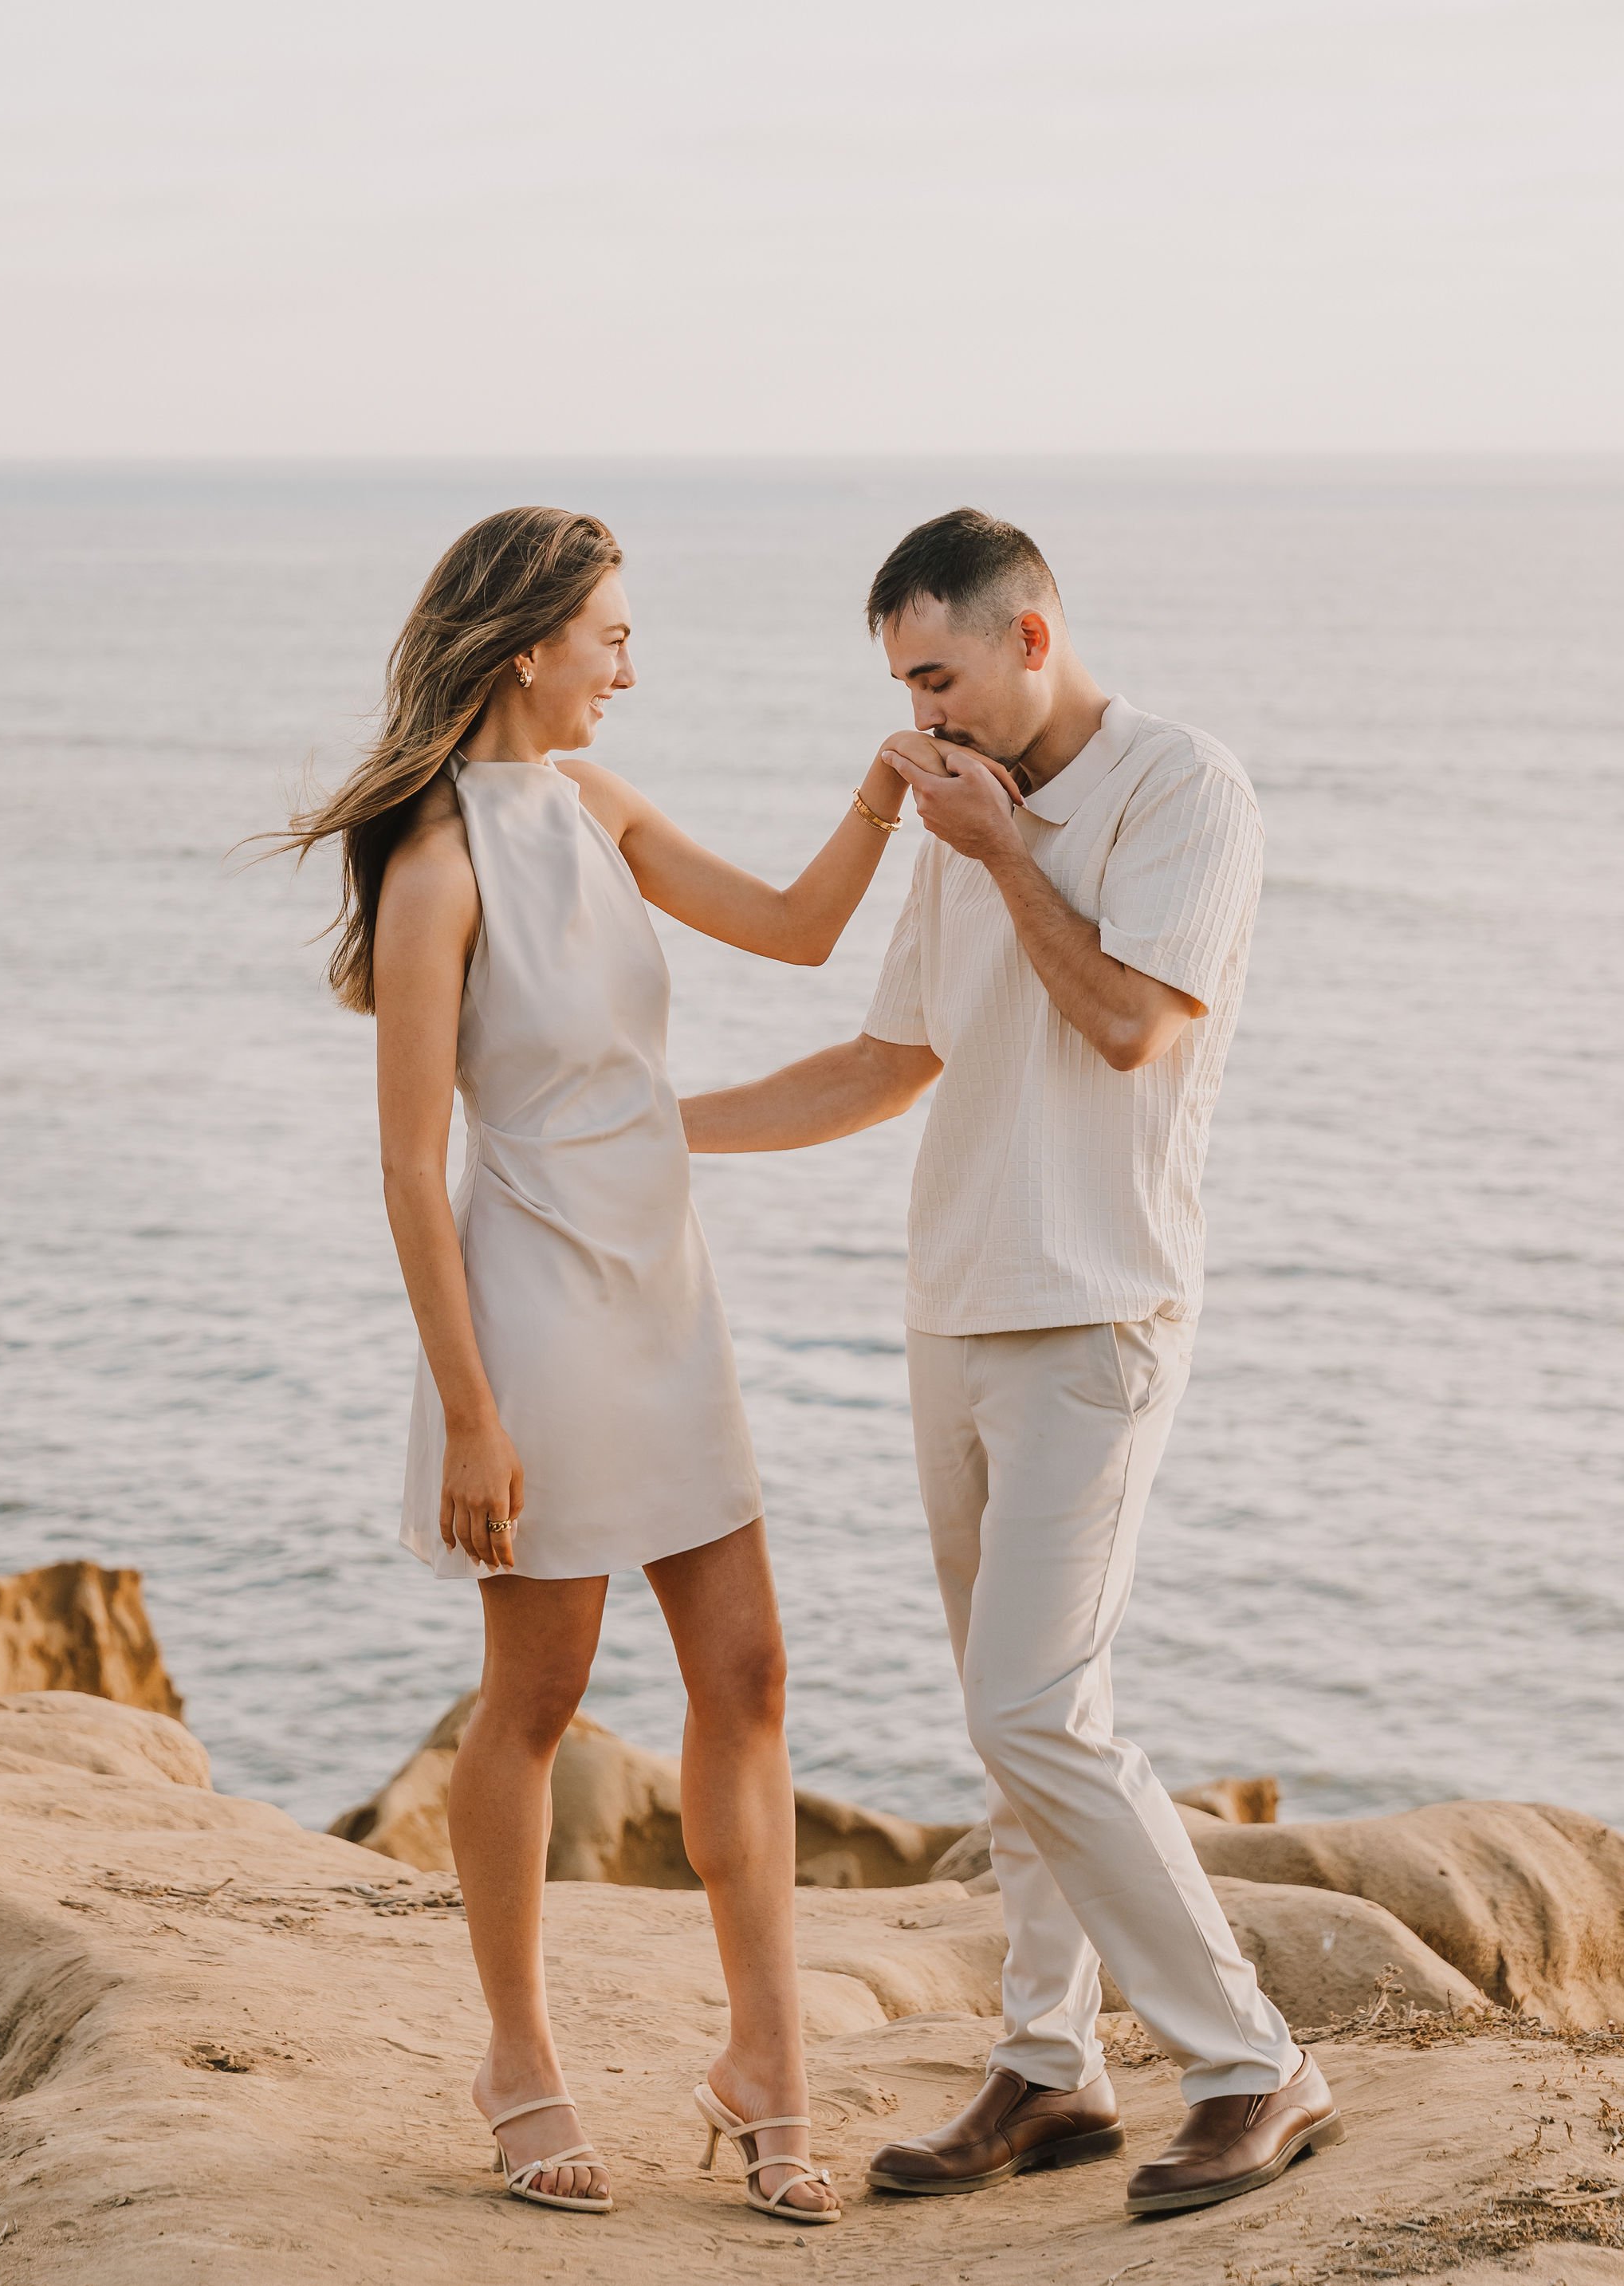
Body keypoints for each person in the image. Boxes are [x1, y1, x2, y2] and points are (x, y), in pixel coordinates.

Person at [679, 507, 1343, 2218]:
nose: (920, 715)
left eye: (938, 675)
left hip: (1096, 1310)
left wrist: (993, 851)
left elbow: (1130, 1024)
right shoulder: (958, 823)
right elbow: (885, 1058)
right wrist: (649, 1132)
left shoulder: (1179, 790)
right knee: (1021, 1728)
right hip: (953, 1308)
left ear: (1029, 638)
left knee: (1033, 1705)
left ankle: (1255, 2063)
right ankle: (1049, 2070)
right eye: (903, 684)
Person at [279, 505, 917, 2224]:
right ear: (528, 643)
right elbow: (412, 1169)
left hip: (666, 1289)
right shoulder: (437, 866)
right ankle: (517, 2056)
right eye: (611, 636)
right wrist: (470, 1416)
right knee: (541, 1698)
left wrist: (886, 796)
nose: (631, 666)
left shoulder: (596, 809)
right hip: (536, 1309)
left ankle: (767, 2059)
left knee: (751, 1673)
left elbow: (789, 929)